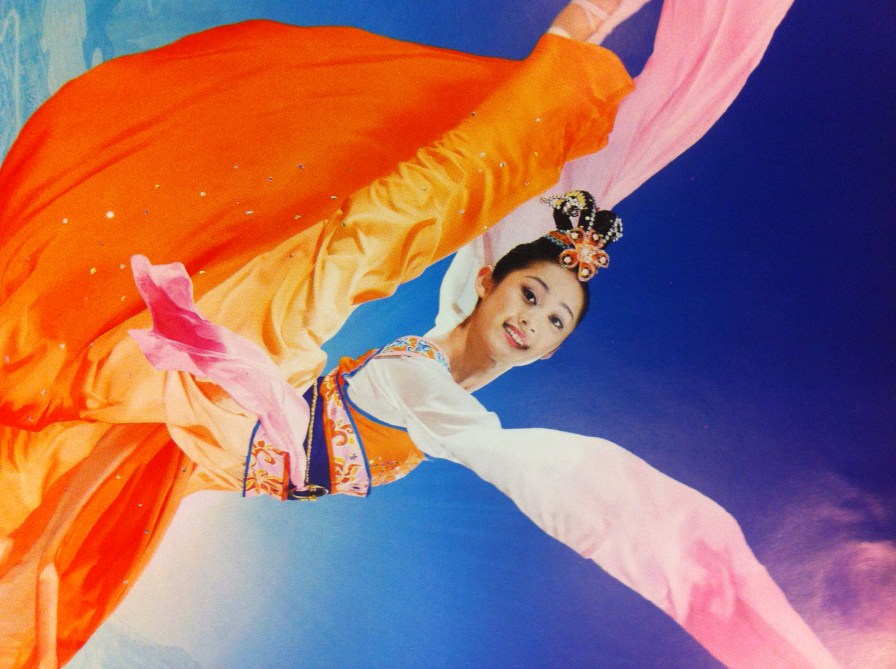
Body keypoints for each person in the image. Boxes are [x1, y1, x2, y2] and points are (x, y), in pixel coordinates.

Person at [0, 0, 832, 667]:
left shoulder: (449, 398)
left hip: (251, 424)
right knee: (390, 221)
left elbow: (577, 488)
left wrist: (708, 581)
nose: (532, 320)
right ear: (489, 282)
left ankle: (172, 358)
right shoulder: (444, 348)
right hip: (260, 401)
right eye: (531, 296)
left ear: (552, 349)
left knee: (369, 241)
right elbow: (487, 219)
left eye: (552, 322)